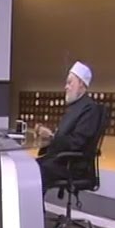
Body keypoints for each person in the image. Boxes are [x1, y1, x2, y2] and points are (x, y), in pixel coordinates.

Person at [35, 61, 102, 196]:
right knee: (27, 168)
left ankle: (34, 209)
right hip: (60, 161)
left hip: (72, 166)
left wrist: (52, 137)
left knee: (33, 173)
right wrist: (49, 135)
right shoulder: (75, 108)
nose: (66, 87)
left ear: (81, 84)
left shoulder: (90, 109)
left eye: (70, 82)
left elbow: (76, 142)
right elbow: (64, 137)